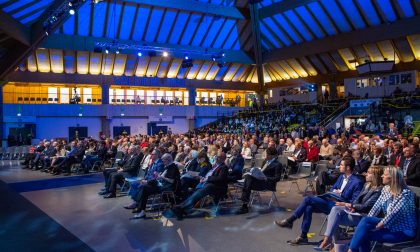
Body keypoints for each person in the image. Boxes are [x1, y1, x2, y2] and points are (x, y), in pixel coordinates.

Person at [275, 157, 364, 245]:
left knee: (308, 199)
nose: (338, 166)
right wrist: (334, 191)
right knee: (308, 207)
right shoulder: (341, 176)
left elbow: (354, 201)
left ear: (348, 168)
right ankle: (303, 236)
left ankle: (290, 220)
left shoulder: (357, 181)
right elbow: (333, 188)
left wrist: (340, 195)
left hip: (339, 206)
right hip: (331, 200)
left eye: (341, 165)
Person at [348, 166, 417, 252]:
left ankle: (351, 250)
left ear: (392, 178)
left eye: (384, 174)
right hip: (389, 225)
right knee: (365, 222)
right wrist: (370, 222)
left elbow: (395, 212)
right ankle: (351, 249)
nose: (381, 176)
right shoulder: (386, 189)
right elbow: (376, 207)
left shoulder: (406, 194)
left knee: (363, 234)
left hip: (403, 230)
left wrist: (382, 223)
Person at [315, 166, 383, 250]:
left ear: (375, 176)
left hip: (364, 216)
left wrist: (351, 205)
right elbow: (357, 199)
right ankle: (330, 241)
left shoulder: (378, 190)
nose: (366, 174)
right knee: (335, 210)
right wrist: (353, 206)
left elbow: (367, 206)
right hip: (356, 212)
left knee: (333, 217)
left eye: (369, 173)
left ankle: (331, 243)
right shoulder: (367, 185)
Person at [171, 151, 229, 219]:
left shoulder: (224, 167)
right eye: (216, 156)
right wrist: (203, 178)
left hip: (216, 187)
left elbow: (220, 179)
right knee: (194, 194)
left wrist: (207, 179)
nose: (216, 158)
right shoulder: (215, 166)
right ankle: (182, 209)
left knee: (197, 194)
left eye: (218, 157)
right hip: (208, 184)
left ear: (223, 159)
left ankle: (180, 208)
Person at [129, 153, 180, 219]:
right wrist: (159, 175)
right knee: (144, 186)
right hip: (161, 184)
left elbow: (171, 181)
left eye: (163, 160)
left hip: (166, 187)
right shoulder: (168, 166)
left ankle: (140, 209)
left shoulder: (173, 167)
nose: (163, 162)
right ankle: (140, 209)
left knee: (144, 188)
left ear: (168, 160)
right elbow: (163, 177)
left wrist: (161, 176)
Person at [235, 147, 283, 214]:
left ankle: (244, 204)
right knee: (248, 176)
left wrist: (266, 178)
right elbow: (261, 172)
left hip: (268, 183)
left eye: (268, 154)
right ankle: (244, 204)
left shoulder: (278, 164)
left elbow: (277, 178)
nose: (266, 156)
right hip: (260, 181)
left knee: (248, 182)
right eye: (266, 154)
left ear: (273, 156)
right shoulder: (265, 162)